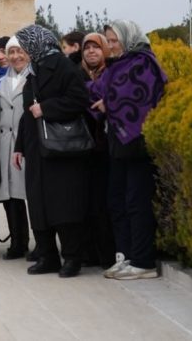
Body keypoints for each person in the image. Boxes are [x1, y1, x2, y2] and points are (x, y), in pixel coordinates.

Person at [12, 25, 91, 278]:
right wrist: (19, 147)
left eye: (26, 43)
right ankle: (47, 256)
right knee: (39, 204)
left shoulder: (64, 67)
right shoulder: (33, 71)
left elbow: (79, 101)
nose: (23, 49)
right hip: (37, 148)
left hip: (61, 149)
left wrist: (47, 108)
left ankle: (71, 258)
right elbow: (27, 114)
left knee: (64, 205)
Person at [91, 20, 167, 280]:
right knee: (117, 200)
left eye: (114, 41)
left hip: (136, 145)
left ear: (128, 38)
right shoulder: (119, 64)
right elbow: (98, 90)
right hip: (118, 145)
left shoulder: (144, 63)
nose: (111, 46)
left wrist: (108, 105)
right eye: (108, 41)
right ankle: (126, 255)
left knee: (136, 201)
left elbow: (139, 97)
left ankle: (143, 260)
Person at [0, 36, 30, 260]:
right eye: (10, 52)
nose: (14, 56)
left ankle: (40, 242)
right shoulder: (2, 81)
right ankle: (18, 241)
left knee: (29, 194)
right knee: (10, 196)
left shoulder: (34, 78)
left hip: (26, 143)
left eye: (19, 51)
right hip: (5, 143)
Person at [78, 32, 116, 268]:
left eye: (96, 47)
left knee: (106, 205)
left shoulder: (112, 75)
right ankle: (90, 253)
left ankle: (108, 255)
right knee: (88, 204)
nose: (91, 51)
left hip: (107, 148)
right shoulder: (78, 76)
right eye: (87, 48)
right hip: (84, 150)